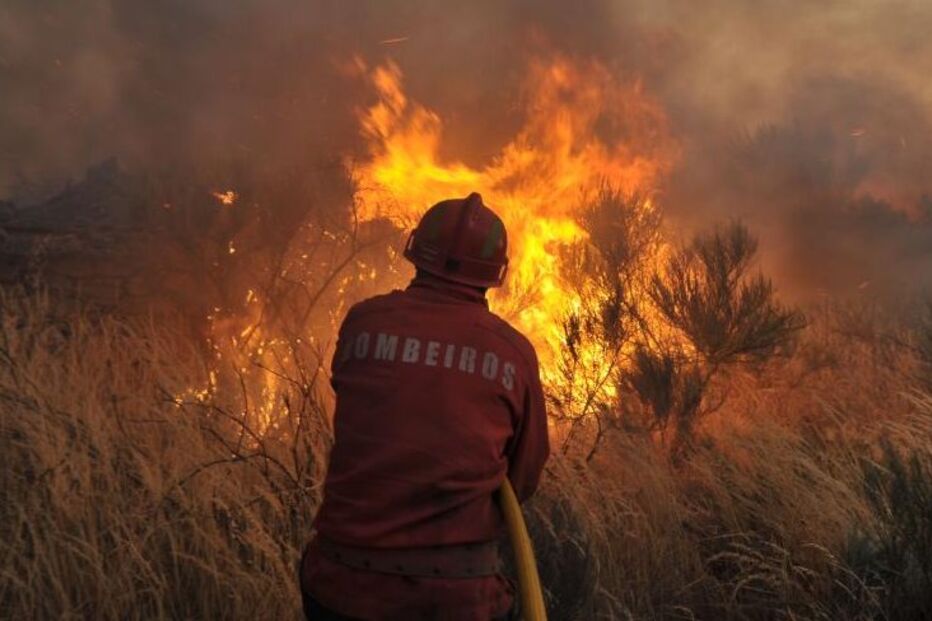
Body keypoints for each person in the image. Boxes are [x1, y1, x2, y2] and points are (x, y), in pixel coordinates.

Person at [299, 192, 550, 621]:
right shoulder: (512, 353)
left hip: (339, 585)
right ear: (495, 273)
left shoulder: (363, 322)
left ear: (417, 252)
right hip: (455, 599)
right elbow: (524, 476)